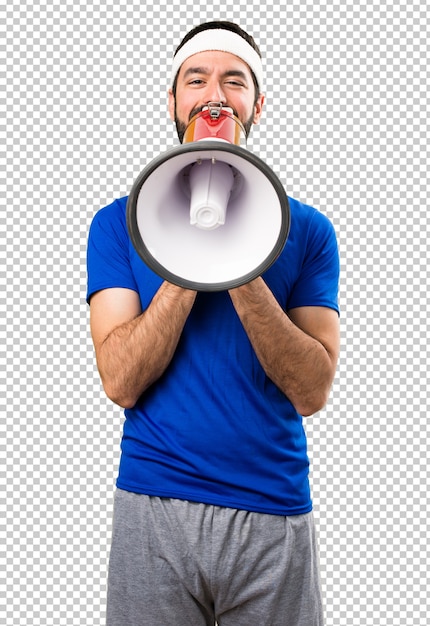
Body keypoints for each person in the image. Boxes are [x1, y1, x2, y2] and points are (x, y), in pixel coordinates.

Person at [87, 20, 340, 626]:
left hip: (273, 512)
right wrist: (187, 259)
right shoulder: (117, 224)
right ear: (173, 102)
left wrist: (240, 259)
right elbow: (120, 381)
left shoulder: (308, 231)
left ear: (257, 103)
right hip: (153, 505)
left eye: (235, 80)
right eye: (195, 79)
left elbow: (312, 391)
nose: (215, 94)